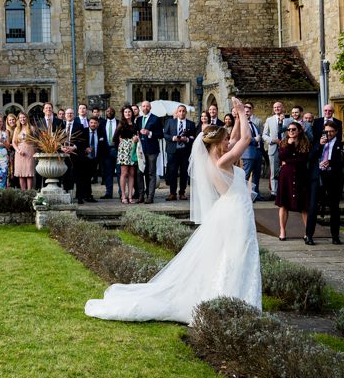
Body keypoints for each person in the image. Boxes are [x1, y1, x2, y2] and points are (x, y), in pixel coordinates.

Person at [86, 97, 261, 324]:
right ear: (218, 144)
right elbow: (245, 139)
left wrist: (237, 119)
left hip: (233, 210)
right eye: (226, 140)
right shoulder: (221, 163)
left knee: (233, 254)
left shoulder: (217, 158)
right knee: (236, 253)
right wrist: (242, 113)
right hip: (235, 212)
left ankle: (236, 298)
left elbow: (237, 137)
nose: (230, 141)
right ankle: (232, 298)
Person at [306, 121, 344, 245]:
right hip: (318, 178)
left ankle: (335, 236)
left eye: (331, 132)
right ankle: (308, 235)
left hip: (333, 178)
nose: (328, 134)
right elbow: (310, 158)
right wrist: (319, 146)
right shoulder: (319, 142)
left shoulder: (340, 144)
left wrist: (331, 162)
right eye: (326, 131)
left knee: (334, 207)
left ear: (336, 132)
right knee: (313, 207)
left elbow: (343, 162)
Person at [275, 122, 310, 240]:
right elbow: (281, 157)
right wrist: (290, 146)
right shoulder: (284, 143)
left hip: (301, 176)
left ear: (299, 130)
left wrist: (288, 161)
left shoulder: (305, 142)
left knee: (304, 205)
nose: (291, 131)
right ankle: (282, 231)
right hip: (286, 177)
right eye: (289, 129)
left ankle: (307, 232)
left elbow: (303, 159)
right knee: (283, 204)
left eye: (293, 129)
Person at [163, 105, 194, 201]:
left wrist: (187, 139)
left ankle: (182, 193)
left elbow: (193, 137)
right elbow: (165, 134)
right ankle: (172, 193)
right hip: (173, 151)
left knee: (184, 172)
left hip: (185, 151)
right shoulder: (170, 122)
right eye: (180, 111)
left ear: (186, 112)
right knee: (172, 172)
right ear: (177, 112)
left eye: (183, 111)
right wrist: (173, 138)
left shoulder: (191, 124)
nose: (181, 113)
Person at [134, 101, 162, 204]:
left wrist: (149, 133)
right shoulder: (139, 119)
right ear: (141, 108)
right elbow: (136, 131)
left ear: (150, 107)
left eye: (147, 106)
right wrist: (136, 137)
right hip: (141, 150)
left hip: (152, 150)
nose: (145, 107)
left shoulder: (156, 119)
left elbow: (160, 134)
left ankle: (150, 197)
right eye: (143, 106)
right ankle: (141, 195)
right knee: (140, 172)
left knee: (151, 173)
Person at [241, 102, 266, 201]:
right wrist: (254, 140)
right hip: (248, 153)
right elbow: (241, 138)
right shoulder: (241, 124)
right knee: (245, 176)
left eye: (248, 111)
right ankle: (242, 196)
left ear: (251, 112)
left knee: (256, 175)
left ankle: (255, 195)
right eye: (245, 111)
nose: (247, 113)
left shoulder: (253, 124)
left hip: (258, 153)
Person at [82, 115, 108, 200]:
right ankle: (87, 195)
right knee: (86, 177)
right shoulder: (84, 131)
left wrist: (100, 159)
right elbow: (79, 143)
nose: (93, 124)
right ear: (89, 123)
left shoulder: (101, 132)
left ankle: (87, 195)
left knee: (90, 177)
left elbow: (104, 145)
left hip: (95, 159)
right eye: (91, 123)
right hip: (85, 158)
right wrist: (85, 149)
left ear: (98, 124)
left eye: (95, 123)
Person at [115, 117, 138, 205]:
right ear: (123, 114)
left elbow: (137, 135)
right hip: (124, 149)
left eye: (129, 112)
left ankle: (130, 196)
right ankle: (123, 196)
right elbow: (115, 137)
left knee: (132, 173)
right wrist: (121, 142)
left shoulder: (135, 124)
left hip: (133, 148)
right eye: (125, 112)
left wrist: (136, 139)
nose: (128, 114)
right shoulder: (121, 124)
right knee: (124, 173)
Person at [13, 112, 36, 191]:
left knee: (29, 173)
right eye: (20, 118)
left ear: (27, 118)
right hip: (19, 153)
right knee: (21, 174)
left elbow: (36, 141)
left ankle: (29, 192)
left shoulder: (31, 128)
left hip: (29, 151)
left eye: (24, 117)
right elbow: (13, 142)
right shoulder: (17, 129)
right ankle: (23, 192)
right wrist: (18, 151)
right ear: (18, 119)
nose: (22, 119)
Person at [102, 107, 119, 198]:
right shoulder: (102, 123)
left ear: (114, 113)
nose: (109, 112)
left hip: (117, 150)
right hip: (106, 150)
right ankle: (108, 193)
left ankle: (121, 193)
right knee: (108, 173)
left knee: (120, 172)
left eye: (111, 111)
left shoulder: (119, 122)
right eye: (107, 111)